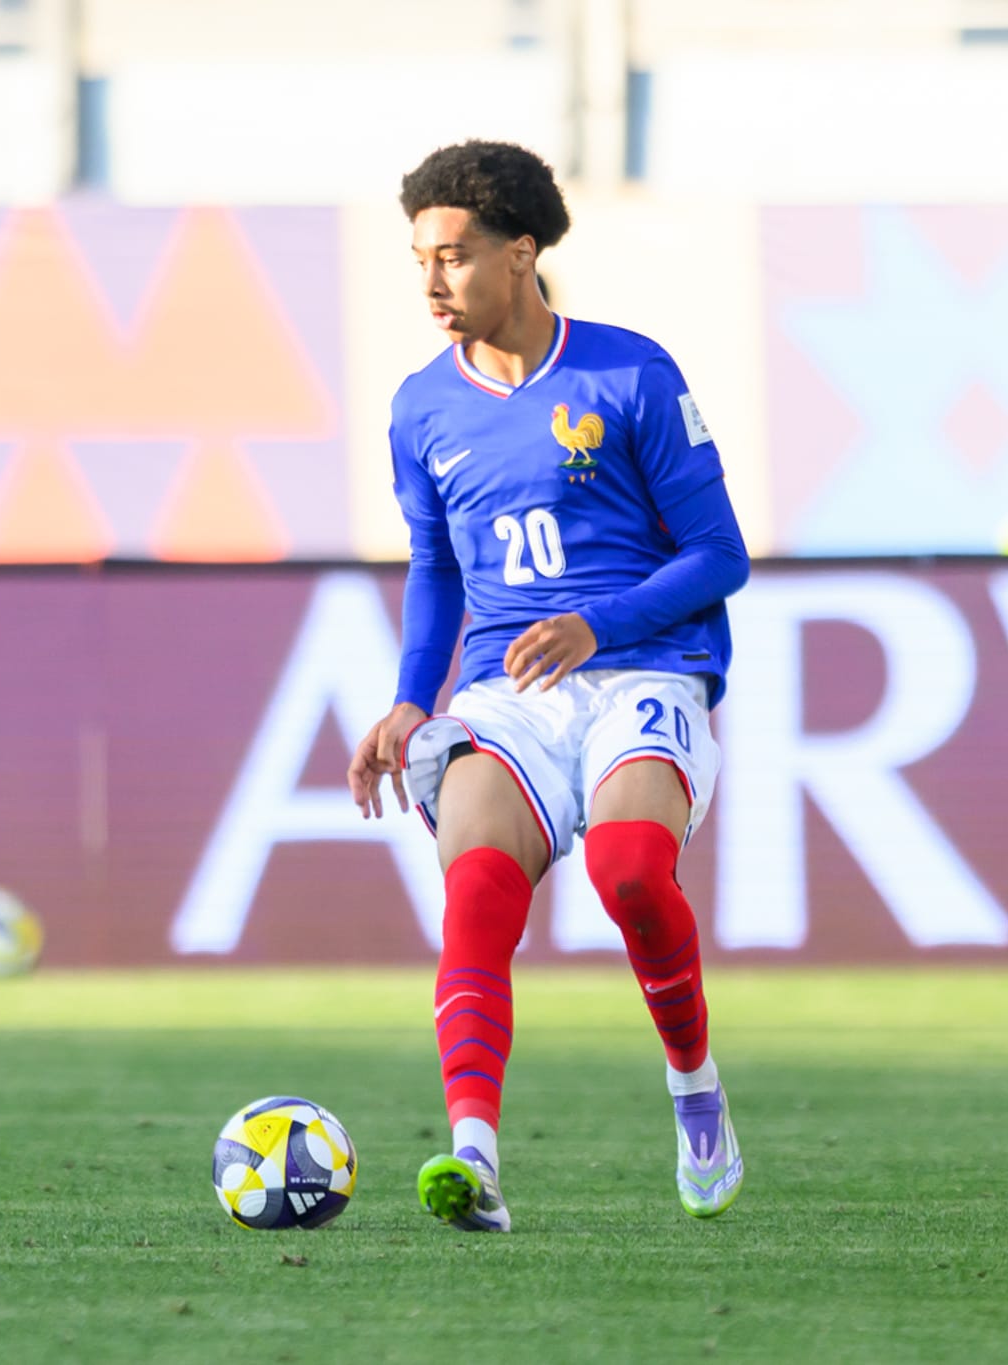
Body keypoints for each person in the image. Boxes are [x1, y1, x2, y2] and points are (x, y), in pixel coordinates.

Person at [345, 140, 751, 1232]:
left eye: (455, 256)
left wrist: (595, 622)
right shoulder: (420, 409)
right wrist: (408, 699)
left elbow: (719, 554)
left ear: (521, 254)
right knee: (475, 887)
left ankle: (692, 1086)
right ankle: (471, 1157)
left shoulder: (629, 372)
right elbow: (435, 569)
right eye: (419, 259)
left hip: (641, 670)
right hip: (505, 691)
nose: (432, 282)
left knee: (627, 870)